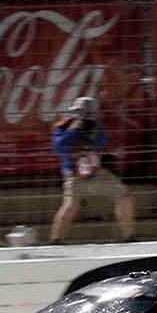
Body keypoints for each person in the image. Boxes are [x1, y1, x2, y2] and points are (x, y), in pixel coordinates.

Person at [50, 96, 137, 244]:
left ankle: (129, 236)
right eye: (80, 113)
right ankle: (56, 240)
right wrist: (75, 129)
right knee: (71, 205)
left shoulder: (95, 127)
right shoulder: (63, 127)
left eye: (86, 113)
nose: (82, 116)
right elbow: (59, 146)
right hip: (74, 175)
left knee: (124, 197)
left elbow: (102, 143)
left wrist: (89, 131)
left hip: (96, 172)